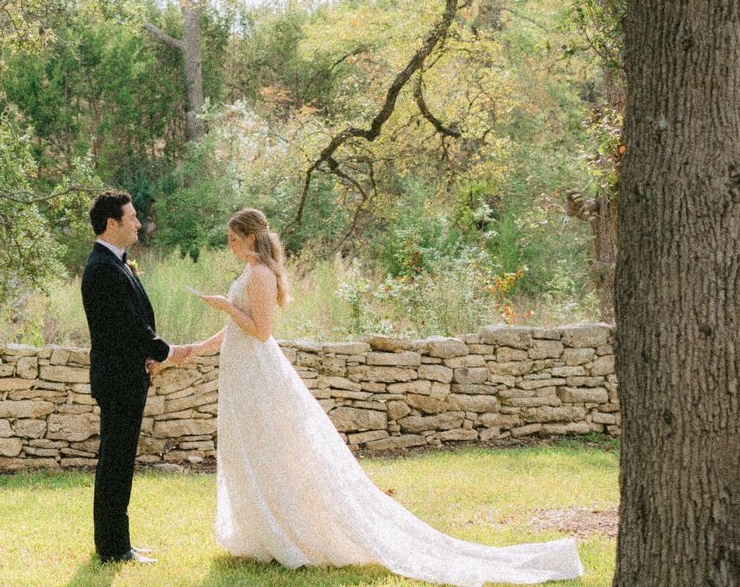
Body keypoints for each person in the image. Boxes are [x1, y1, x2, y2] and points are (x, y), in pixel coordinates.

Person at [182, 208, 584, 585]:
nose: (231, 247)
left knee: (277, 448)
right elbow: (238, 330)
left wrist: (224, 307)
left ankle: (291, 530)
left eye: (234, 240)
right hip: (244, 374)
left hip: (259, 375)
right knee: (255, 449)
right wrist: (195, 348)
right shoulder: (251, 272)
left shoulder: (261, 275)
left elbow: (261, 330)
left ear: (251, 238)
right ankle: (266, 530)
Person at [80, 189, 192, 565]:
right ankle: (113, 547)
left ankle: (119, 542)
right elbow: (127, 327)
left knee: (121, 461)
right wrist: (166, 352)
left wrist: (152, 354)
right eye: (131, 218)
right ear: (111, 223)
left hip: (128, 375)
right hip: (117, 379)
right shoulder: (101, 268)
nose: (138, 223)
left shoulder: (117, 263)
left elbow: (134, 322)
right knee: (115, 462)